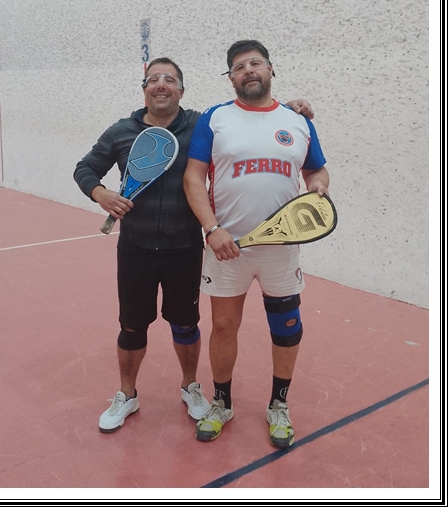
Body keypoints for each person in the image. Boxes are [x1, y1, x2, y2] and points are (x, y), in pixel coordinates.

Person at [74, 56, 315, 433]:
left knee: (185, 323)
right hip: (135, 248)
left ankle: (191, 387)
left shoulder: (201, 125)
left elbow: (251, 115)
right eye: (154, 79)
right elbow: (85, 168)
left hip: (185, 248)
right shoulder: (121, 131)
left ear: (182, 91)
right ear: (144, 89)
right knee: (132, 328)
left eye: (170, 79)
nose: (161, 84)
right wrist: (99, 192)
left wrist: (290, 107)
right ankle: (127, 394)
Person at [183, 40, 330, 448]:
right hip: (226, 248)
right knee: (223, 326)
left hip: (282, 251)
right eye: (238, 67)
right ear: (231, 78)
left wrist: (318, 187)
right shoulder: (215, 118)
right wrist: (212, 229)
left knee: (286, 328)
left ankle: (279, 405)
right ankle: (222, 403)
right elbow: (193, 177)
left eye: (255, 63)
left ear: (270, 69)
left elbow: (317, 171)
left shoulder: (298, 121)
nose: (248, 70)